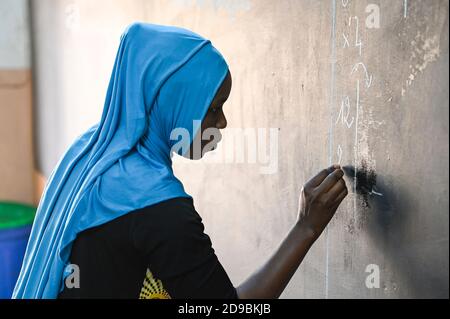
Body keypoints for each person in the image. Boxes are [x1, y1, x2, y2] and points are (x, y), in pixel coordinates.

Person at [13, 22, 347, 299]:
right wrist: (307, 227)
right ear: (175, 102)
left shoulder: (88, 152)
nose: (223, 123)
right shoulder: (158, 207)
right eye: (214, 107)